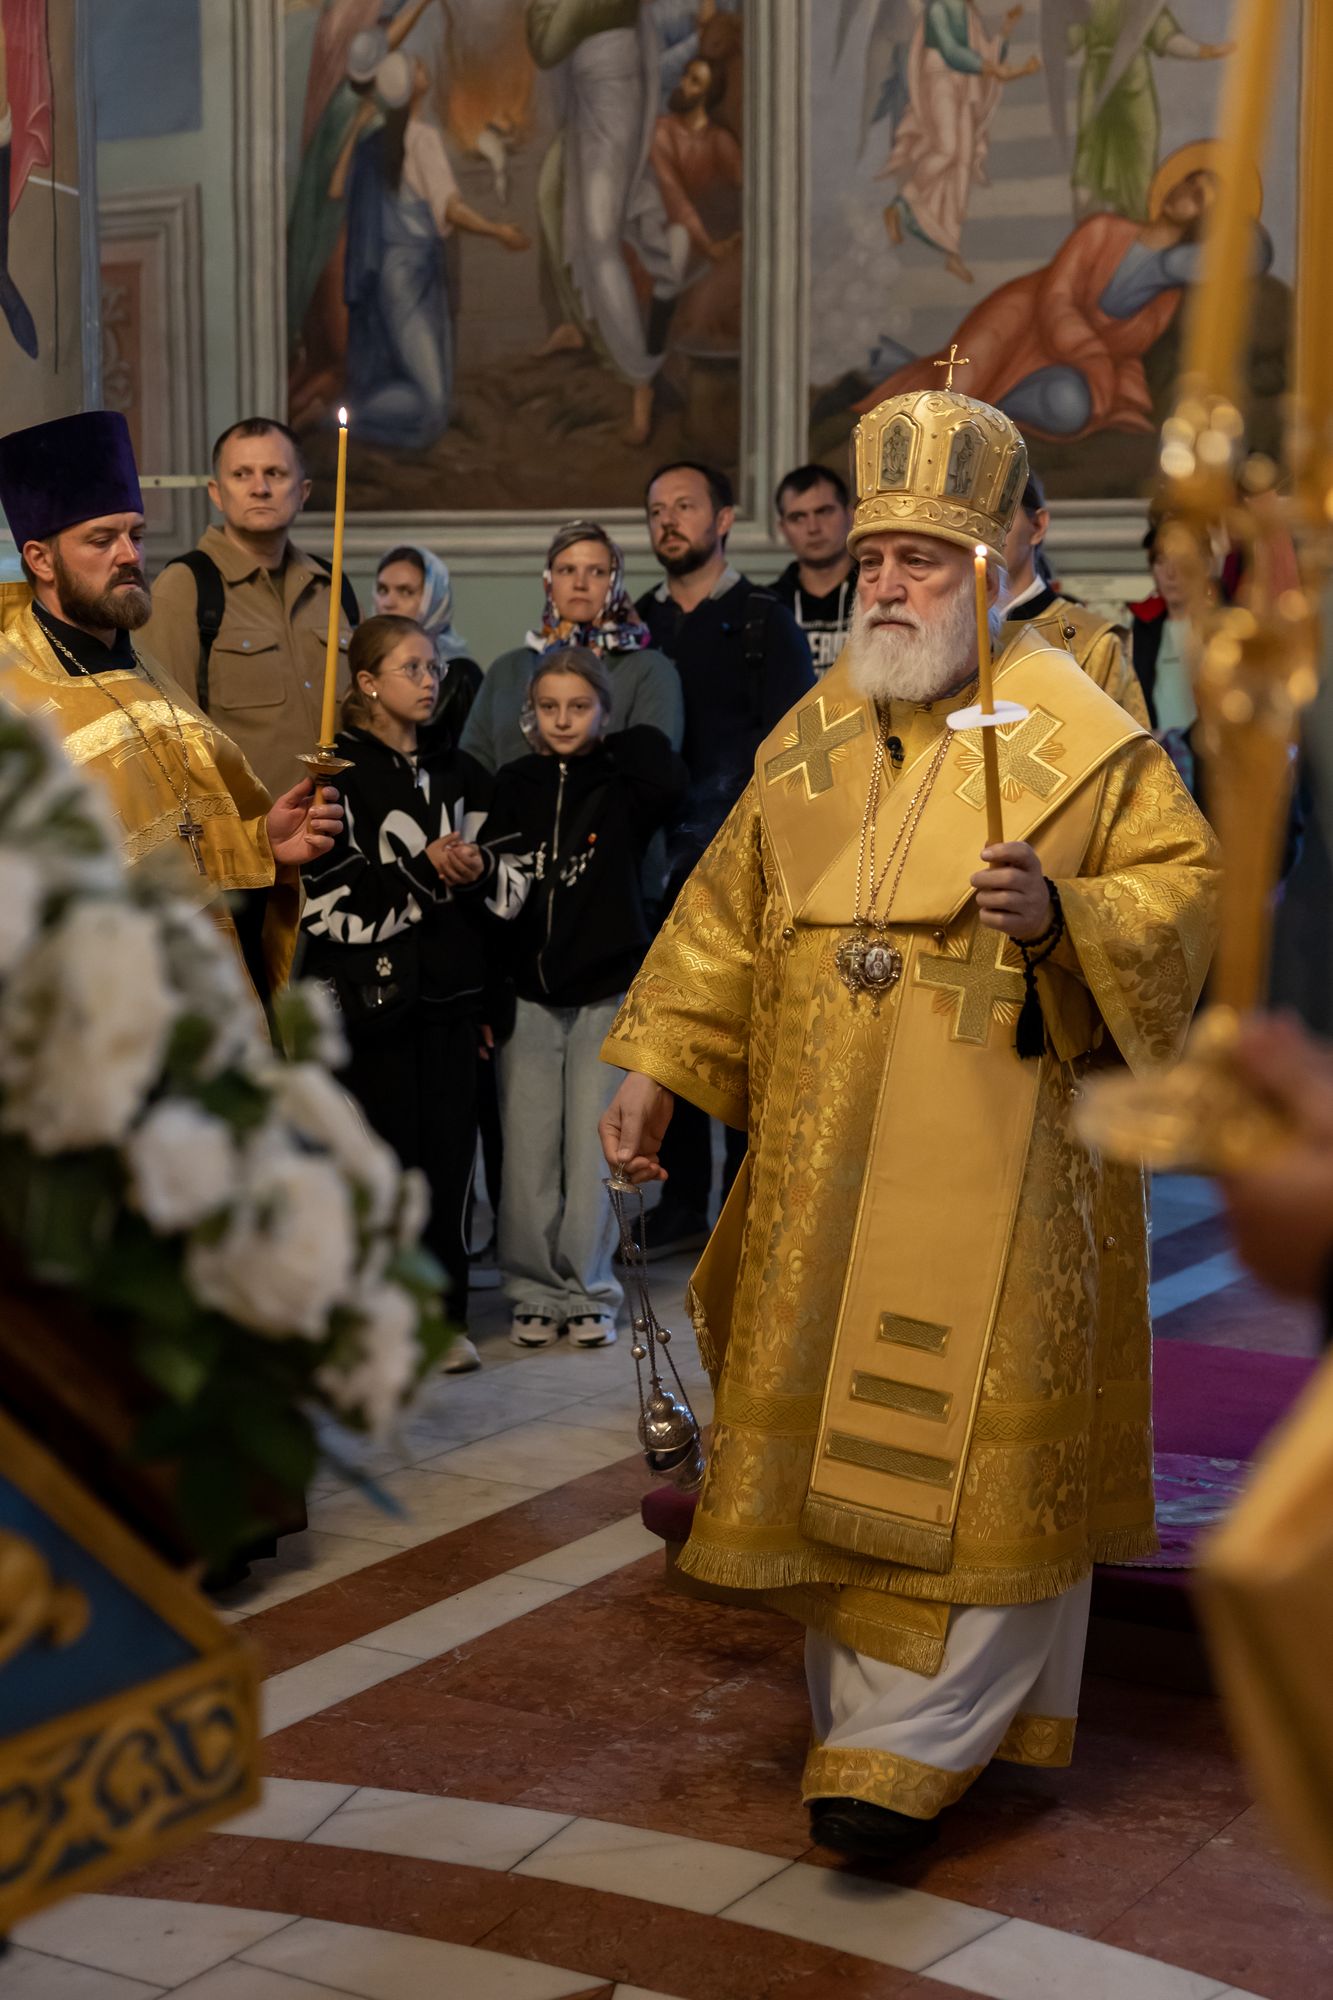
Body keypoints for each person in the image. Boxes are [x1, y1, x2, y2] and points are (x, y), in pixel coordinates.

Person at [599, 381, 1219, 1859]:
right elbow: (726, 917)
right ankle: (864, 1712)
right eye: (873, 557)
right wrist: (656, 1065)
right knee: (837, 1421)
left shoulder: (1081, 725)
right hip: (828, 1156)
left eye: (919, 560)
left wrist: (1060, 915)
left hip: (1000, 1156)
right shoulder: (820, 728)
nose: (884, 582)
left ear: (987, 569)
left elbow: (1181, 898)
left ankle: (913, 1741)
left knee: (972, 1432)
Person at [0, 411, 341, 998]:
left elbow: (177, 832)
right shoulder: (14, 694)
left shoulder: (140, 667)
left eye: (136, 534)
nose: (130, 555)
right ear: (40, 559)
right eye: (102, 540)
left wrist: (262, 843)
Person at [300, 614, 499, 1374]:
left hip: (451, 1000)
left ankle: (444, 1319)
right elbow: (328, 904)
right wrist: (422, 868)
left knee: (449, 1167)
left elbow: (500, 884)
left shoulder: (456, 771)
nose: (428, 680)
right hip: (372, 1007)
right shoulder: (336, 775)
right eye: (411, 668)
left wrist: (475, 870)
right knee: (385, 1165)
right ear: (367, 682)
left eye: (434, 667)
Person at [635, 460, 814, 1252]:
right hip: (656, 864)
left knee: (747, 1037)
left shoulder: (763, 620)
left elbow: (797, 747)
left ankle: (747, 1211)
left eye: (684, 506)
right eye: (656, 510)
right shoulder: (636, 624)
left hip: (746, 857)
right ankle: (678, 1207)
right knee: (670, 1029)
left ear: (722, 518)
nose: (668, 521)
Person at [485, 645, 686, 1348]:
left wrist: (615, 732)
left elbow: (670, 775)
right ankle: (535, 1289)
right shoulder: (514, 781)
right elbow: (500, 890)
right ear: (529, 713)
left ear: (604, 710)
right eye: (548, 707)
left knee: (595, 1150)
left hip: (607, 989)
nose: (562, 720)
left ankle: (589, 1287)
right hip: (529, 994)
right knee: (528, 1155)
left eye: (579, 706)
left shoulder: (623, 779)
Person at [856, 143, 1270, 441]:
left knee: (1069, 407)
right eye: (1188, 182)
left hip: (1074, 365)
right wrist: (1091, 353)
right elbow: (1057, 298)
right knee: (956, 386)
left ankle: (989, 417)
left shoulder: (1167, 294)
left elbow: (1255, 253)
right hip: (1023, 321)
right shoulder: (1103, 230)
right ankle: (909, 382)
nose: (1183, 193)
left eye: (1198, 198)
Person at [142, 417, 358, 806]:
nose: (260, 488)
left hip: (342, 827)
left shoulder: (331, 587)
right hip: (247, 832)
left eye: (275, 473)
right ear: (217, 493)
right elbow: (166, 738)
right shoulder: (186, 588)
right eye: (242, 474)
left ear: (303, 491)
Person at [344, 51, 529, 451]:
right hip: (410, 281)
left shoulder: (380, 142)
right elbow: (450, 209)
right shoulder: (421, 139)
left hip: (404, 276)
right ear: (411, 88)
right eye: (417, 67)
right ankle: (338, 417)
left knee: (434, 402)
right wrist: (498, 231)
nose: (423, 67)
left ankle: (357, 416)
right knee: (430, 407)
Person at [526, 0, 689, 445]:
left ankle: (640, 381)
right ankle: (573, 322)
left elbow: (546, 44)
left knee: (600, 239)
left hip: (610, 98)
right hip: (589, 98)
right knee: (552, 194)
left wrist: (545, 12)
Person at [461, 521, 683, 777]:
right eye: (567, 570)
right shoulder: (507, 670)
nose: (580, 583)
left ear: (614, 581)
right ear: (549, 580)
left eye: (597, 572)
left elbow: (655, 771)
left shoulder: (649, 670)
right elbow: (472, 768)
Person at [880, 1, 1039, 285]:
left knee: (962, 165)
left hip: (966, 87)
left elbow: (985, 55)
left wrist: (1005, 30)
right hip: (939, 79)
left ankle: (951, 251)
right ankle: (901, 205)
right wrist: (993, 68)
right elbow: (952, 53)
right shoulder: (938, 9)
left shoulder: (969, 14)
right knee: (947, 149)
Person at [1000, 471, 1149, 725]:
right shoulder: (952, 634)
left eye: (1000, 515)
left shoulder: (1095, 644)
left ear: (1038, 526)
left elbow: (1126, 747)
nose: (983, 532)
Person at [1068, 5, 1232, 221]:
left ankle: (1135, 232)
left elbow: (1166, 37)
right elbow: (1066, 40)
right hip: (1098, 89)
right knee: (1088, 173)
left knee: (1139, 173)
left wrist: (1205, 51)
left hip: (1135, 93)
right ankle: (1089, 234)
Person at [374, 543, 482, 751]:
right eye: (382, 590)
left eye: (405, 591)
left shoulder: (459, 674)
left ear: (434, 598)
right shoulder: (363, 659)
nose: (388, 602)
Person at [771, 464, 858, 676]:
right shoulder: (768, 604)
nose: (813, 528)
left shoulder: (880, 593)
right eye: (798, 517)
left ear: (850, 515)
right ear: (783, 529)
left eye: (824, 511)